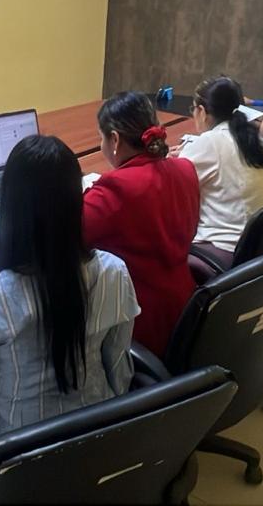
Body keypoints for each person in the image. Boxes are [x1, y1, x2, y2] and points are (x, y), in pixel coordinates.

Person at [0, 135, 139, 463]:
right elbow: (118, 367)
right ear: (77, 201)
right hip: (95, 442)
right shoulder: (114, 272)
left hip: (17, 461)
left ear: (11, 208)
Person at [84, 92, 200, 357]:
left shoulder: (116, 188)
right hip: (187, 307)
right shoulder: (185, 169)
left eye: (101, 138)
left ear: (114, 140)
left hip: (137, 317)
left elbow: (65, 235)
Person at [176, 77, 263, 265]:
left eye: (193, 109)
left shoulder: (210, 142)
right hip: (255, 248)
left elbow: (172, 188)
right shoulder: (253, 138)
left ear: (202, 111)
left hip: (222, 251)